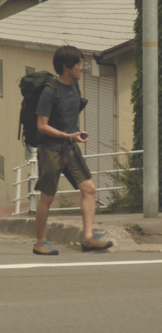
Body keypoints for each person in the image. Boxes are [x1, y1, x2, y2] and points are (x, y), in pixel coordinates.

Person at [33, 45, 113, 256]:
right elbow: (42, 125)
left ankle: (88, 238)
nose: (81, 66)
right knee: (48, 197)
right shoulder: (50, 91)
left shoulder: (75, 86)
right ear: (66, 66)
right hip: (50, 149)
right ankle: (40, 242)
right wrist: (69, 135)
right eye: (78, 63)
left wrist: (75, 133)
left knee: (89, 188)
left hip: (69, 146)